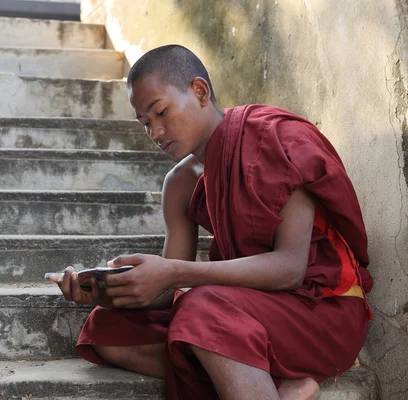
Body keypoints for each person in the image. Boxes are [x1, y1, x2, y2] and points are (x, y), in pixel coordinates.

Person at [49, 44, 373, 400]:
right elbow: (168, 291)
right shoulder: (179, 184)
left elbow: (290, 269)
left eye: (161, 112)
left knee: (201, 309)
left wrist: (175, 272)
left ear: (200, 91)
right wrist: (113, 292)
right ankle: (279, 387)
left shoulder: (272, 140)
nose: (155, 133)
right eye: (145, 123)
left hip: (321, 314)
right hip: (246, 311)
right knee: (106, 328)